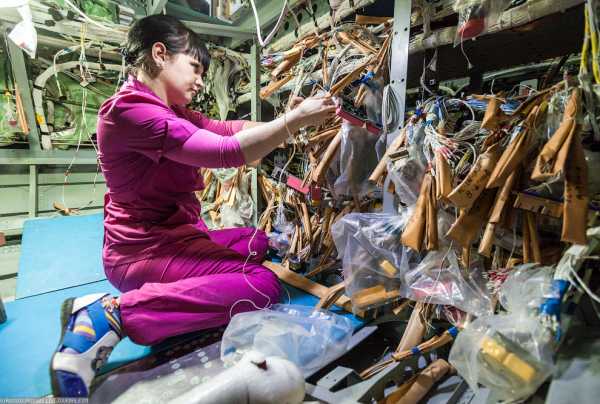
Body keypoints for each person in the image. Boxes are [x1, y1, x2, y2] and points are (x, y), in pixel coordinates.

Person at [50, 14, 336, 397]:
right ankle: (110, 315)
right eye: (195, 67)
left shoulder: (169, 109)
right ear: (160, 54)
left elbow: (228, 129)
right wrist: (292, 122)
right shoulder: (130, 111)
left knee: (254, 240)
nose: (200, 80)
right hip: (142, 252)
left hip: (173, 236)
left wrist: (290, 120)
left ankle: (138, 298)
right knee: (261, 285)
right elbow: (224, 151)